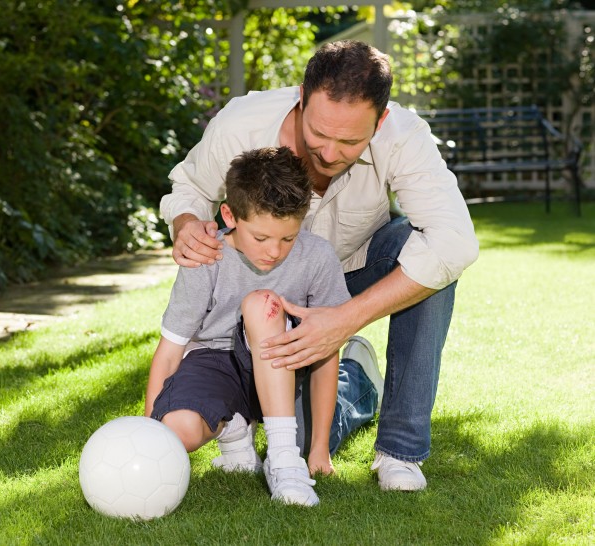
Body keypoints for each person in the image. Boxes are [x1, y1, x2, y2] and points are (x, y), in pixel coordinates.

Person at [159, 40, 480, 491]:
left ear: (380, 121)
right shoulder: (241, 123)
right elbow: (189, 188)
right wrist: (187, 223)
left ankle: (400, 452)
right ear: (301, 99)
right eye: (319, 133)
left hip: (351, 276)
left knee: (431, 263)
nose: (329, 153)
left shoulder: (404, 136)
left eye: (350, 141)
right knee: (296, 437)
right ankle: (356, 378)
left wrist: (344, 319)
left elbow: (456, 243)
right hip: (258, 286)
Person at [145, 146, 382, 506]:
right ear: (230, 214)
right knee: (176, 430)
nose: (274, 251)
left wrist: (319, 451)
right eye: (261, 238)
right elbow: (169, 353)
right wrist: (150, 444)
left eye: (288, 238)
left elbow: (323, 351)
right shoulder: (205, 255)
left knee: (262, 304)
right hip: (217, 363)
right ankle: (237, 429)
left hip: (288, 364)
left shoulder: (317, 257)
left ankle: (292, 453)